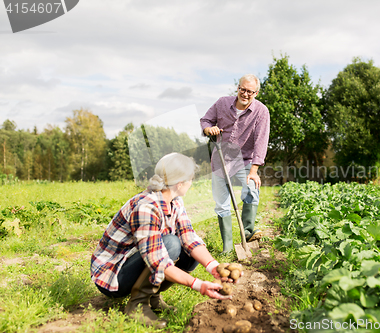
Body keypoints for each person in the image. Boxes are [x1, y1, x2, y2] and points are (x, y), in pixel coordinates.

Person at [91, 153, 233, 329]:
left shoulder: (175, 201)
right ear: (180, 183)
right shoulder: (146, 207)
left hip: (138, 259)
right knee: (171, 244)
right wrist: (198, 285)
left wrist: (215, 268)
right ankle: (137, 305)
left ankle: (153, 297)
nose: (192, 183)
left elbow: (189, 237)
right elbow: (157, 261)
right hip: (114, 275)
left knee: (189, 254)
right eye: (190, 179)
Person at [200, 74, 270, 253]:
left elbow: (261, 141)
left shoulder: (261, 111)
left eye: (250, 91)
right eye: (242, 89)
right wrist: (209, 129)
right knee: (222, 203)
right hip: (220, 158)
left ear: (256, 92)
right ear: (237, 88)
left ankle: (247, 231)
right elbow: (205, 120)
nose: (245, 94)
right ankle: (228, 247)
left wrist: (254, 170)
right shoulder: (222, 103)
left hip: (245, 160)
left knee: (252, 188)